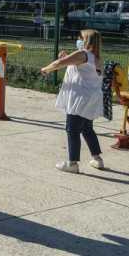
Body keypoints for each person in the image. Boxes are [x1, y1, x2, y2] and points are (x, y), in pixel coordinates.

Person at [41, 29, 105, 173]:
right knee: (87, 128)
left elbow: (60, 63)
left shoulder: (82, 54)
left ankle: (72, 163)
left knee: (72, 129)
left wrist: (46, 69)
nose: (78, 39)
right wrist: (67, 58)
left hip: (80, 98)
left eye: (80, 37)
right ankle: (97, 159)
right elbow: (77, 67)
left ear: (86, 40)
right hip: (91, 97)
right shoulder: (96, 57)